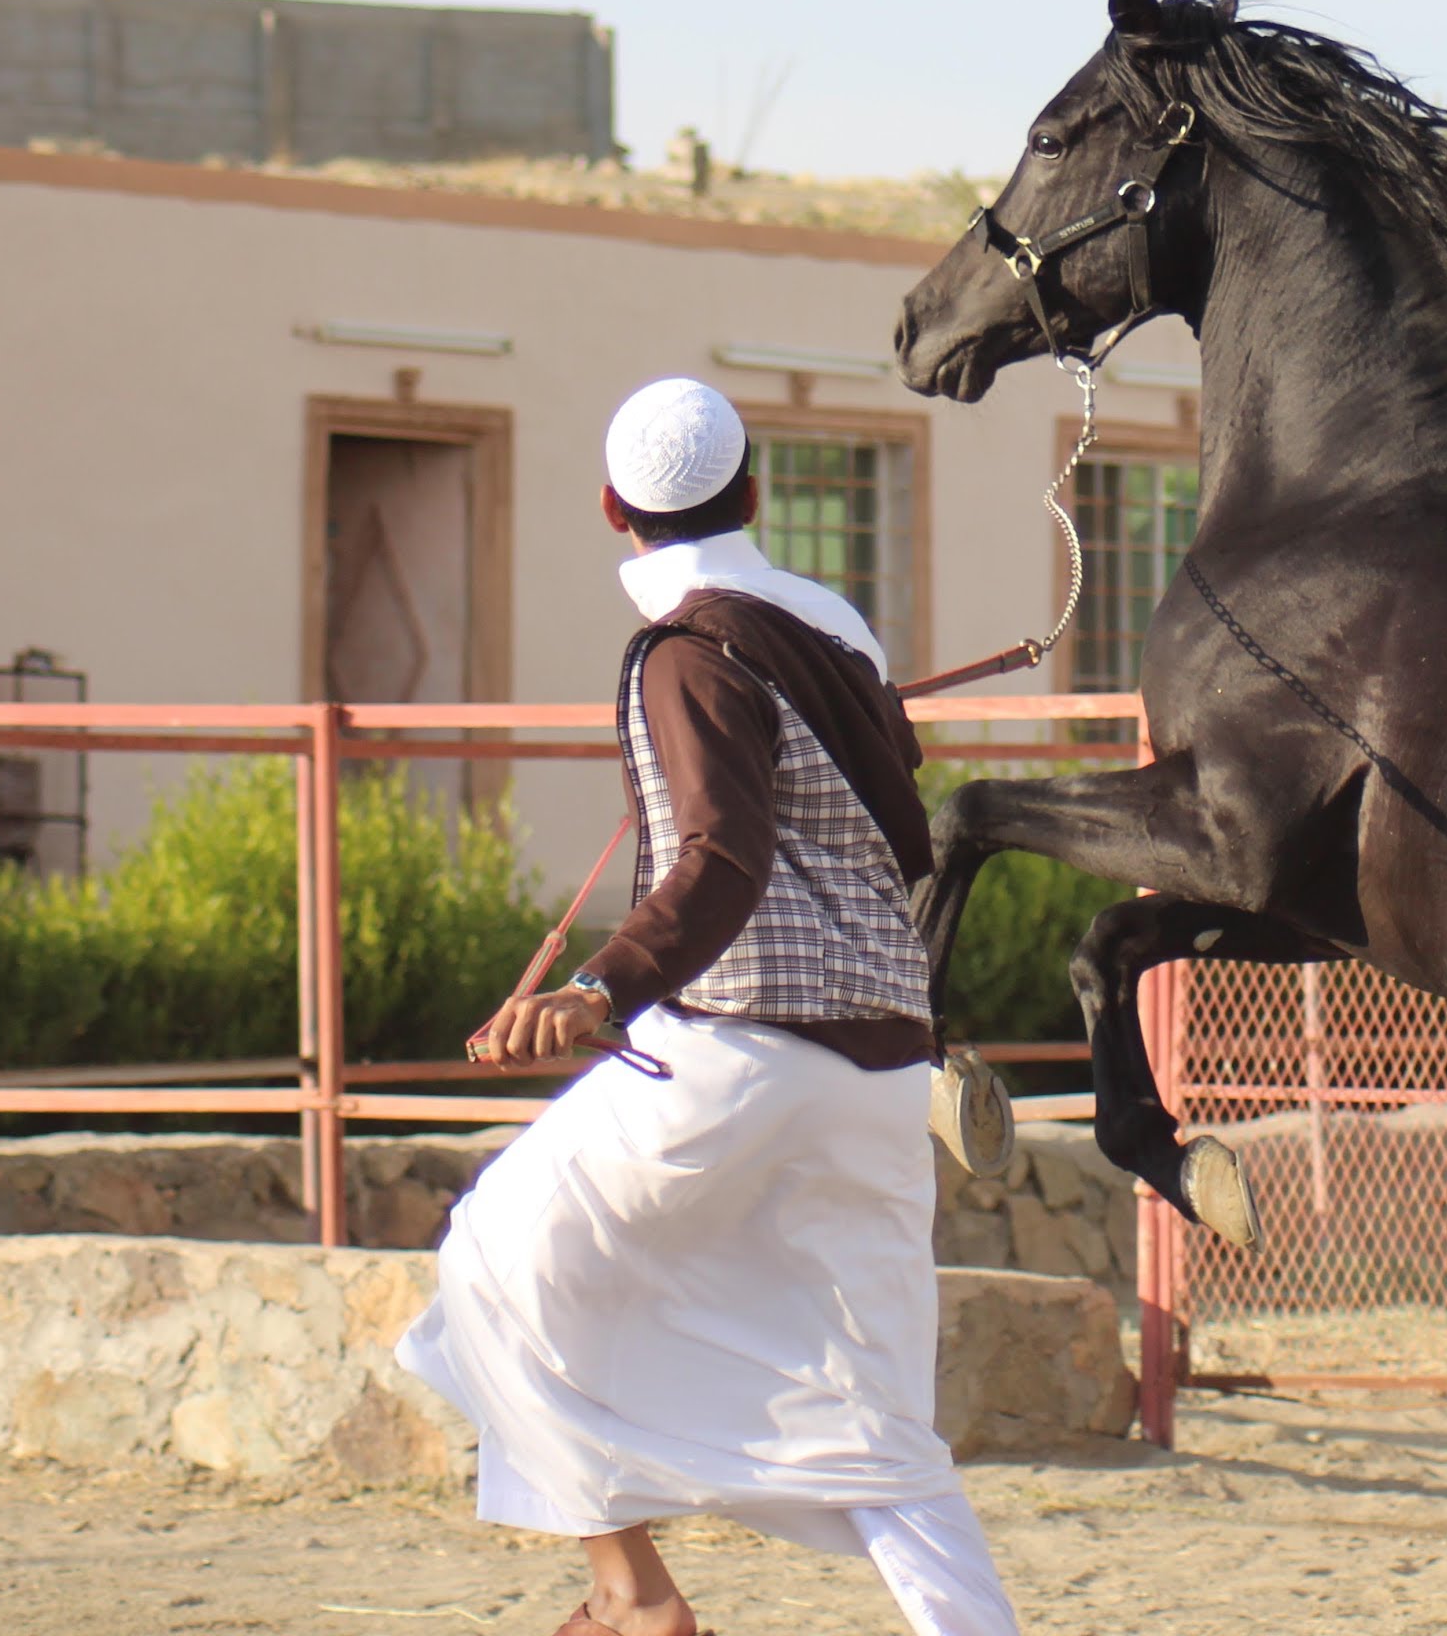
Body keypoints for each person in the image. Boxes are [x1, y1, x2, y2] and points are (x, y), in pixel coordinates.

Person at [397, 378, 1019, 1636]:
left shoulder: (684, 653)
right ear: (754, 493)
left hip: (732, 1053)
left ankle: (633, 1597)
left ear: (613, 511)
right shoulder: (839, 627)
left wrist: (597, 987)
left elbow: (721, 859)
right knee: (887, 1434)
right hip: (888, 1069)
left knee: (488, 1263)